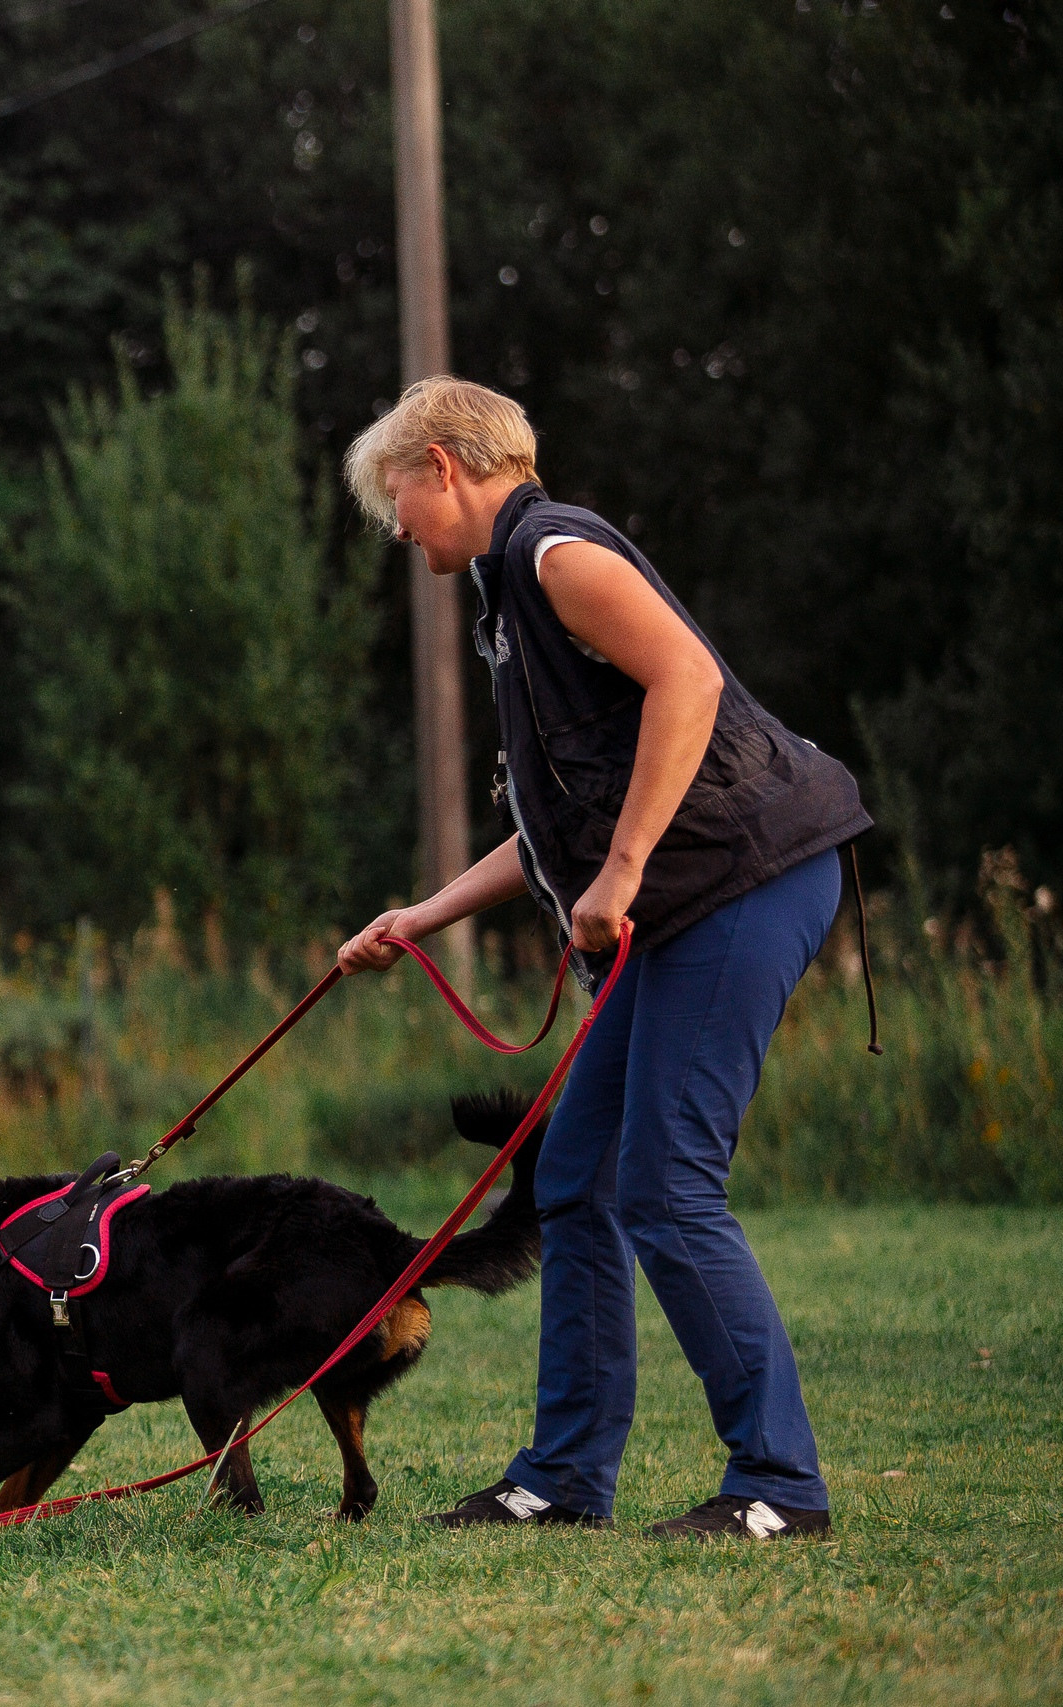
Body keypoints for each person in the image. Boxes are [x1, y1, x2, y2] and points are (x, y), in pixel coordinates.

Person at [335, 378, 869, 1541]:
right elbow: (546, 820)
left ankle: (779, 1487)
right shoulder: (504, 590)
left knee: (668, 1186)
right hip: (685, 904)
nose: (398, 529)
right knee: (574, 1176)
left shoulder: (554, 554)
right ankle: (561, 1480)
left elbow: (690, 681)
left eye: (396, 502)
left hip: (743, 883)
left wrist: (619, 874)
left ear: (440, 464)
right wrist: (424, 916)